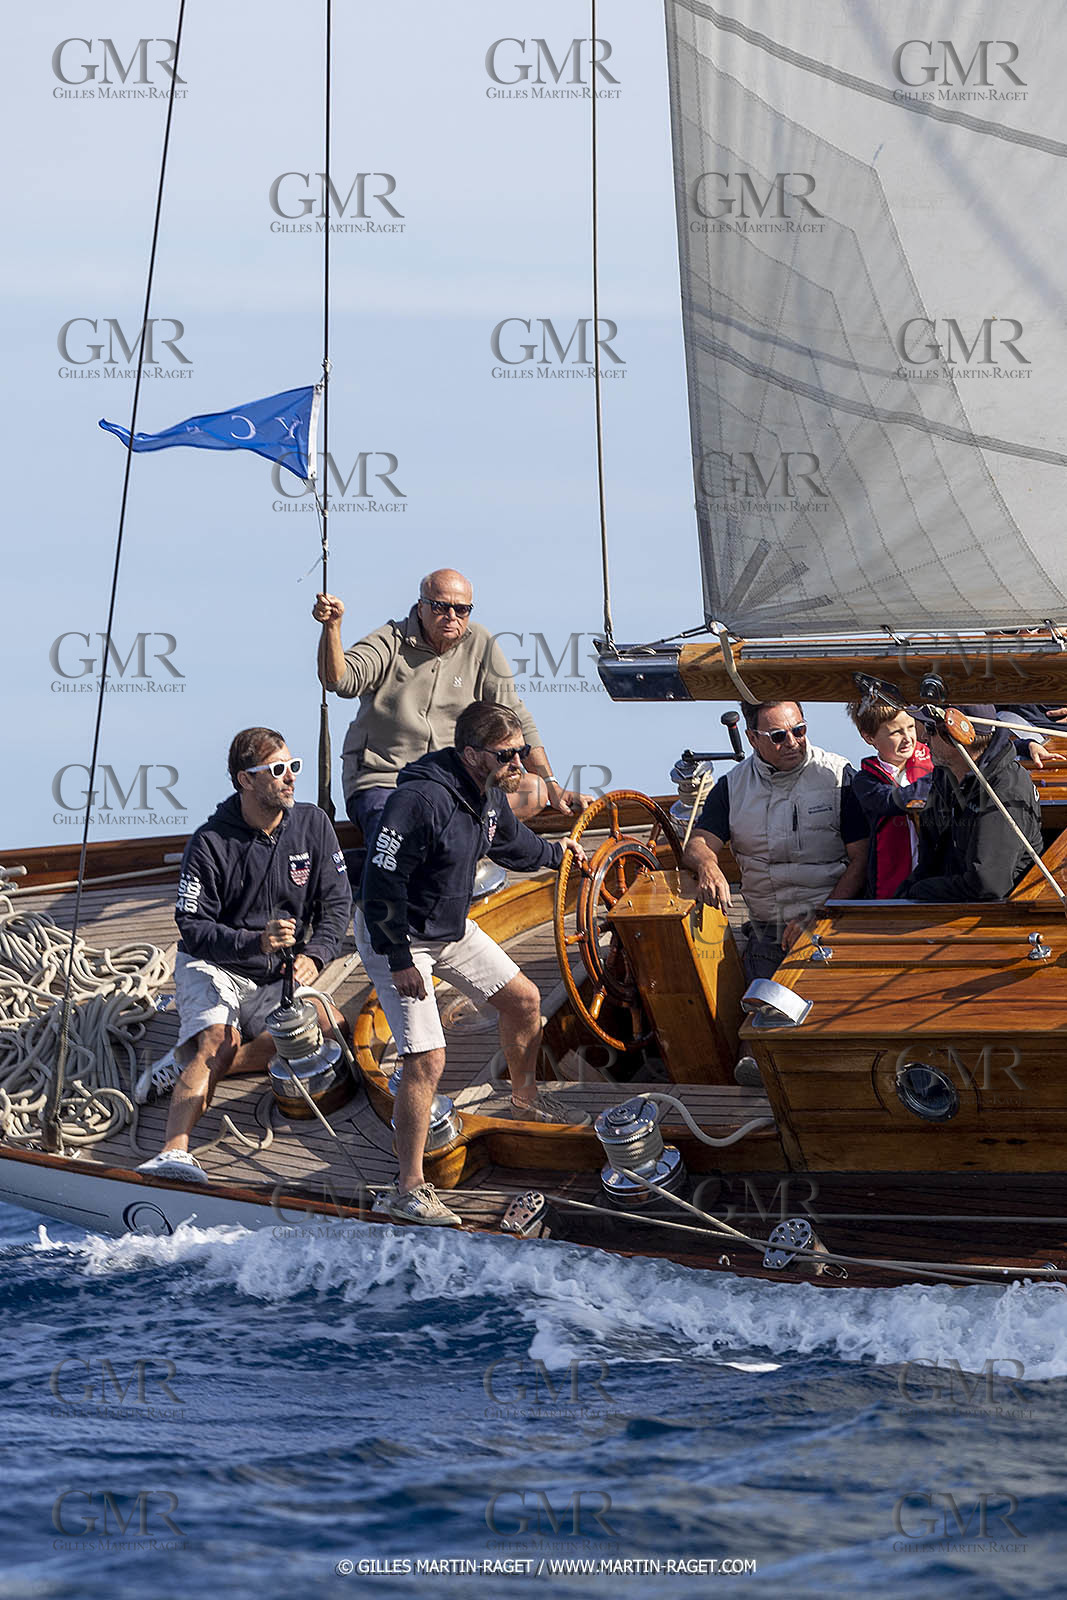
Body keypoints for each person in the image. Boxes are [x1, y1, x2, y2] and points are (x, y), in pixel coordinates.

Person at [355, 701, 590, 1226]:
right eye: (508, 756)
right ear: (470, 754)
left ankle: (525, 1101)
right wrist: (397, 959)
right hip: (396, 935)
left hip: (449, 926)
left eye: (522, 752)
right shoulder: (418, 800)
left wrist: (564, 857)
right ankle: (407, 1187)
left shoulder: (488, 792)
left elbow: (512, 843)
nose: (521, 766)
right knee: (426, 1060)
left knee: (524, 1000)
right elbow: (379, 882)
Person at [137, 728, 352, 1182]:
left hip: (278, 973)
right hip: (214, 965)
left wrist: (316, 954)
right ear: (245, 780)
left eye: (293, 767)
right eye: (277, 770)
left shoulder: (313, 825)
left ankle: (184, 1063)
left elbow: (337, 905)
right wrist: (252, 942)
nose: (291, 778)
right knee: (219, 1040)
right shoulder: (209, 843)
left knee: (331, 1027)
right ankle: (174, 1152)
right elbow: (191, 927)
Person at [313, 569, 588, 843]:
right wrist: (332, 628)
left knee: (533, 790)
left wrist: (552, 785)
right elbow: (340, 680)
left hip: (453, 785)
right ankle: (451, 847)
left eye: (462, 609)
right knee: (401, 838)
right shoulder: (390, 640)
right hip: (386, 782)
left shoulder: (481, 644)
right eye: (441, 607)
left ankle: (462, 846)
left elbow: (515, 717)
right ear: (420, 608)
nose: (452, 616)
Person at [683, 701, 869, 981]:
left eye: (799, 730)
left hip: (833, 925)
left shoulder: (838, 776)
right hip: (768, 934)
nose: (793, 742)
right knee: (761, 1019)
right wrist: (707, 865)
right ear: (752, 738)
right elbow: (698, 842)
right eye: (779, 736)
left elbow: (863, 858)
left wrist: (822, 916)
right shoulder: (732, 787)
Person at [899, 704, 1043, 901]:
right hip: (951, 904)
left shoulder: (1006, 791)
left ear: (960, 736)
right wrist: (903, 895)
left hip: (993, 918)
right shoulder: (944, 778)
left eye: (931, 730)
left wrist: (917, 891)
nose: (923, 738)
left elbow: (986, 885)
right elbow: (930, 860)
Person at [848, 698, 934, 898]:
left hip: (934, 878)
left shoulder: (936, 759)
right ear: (869, 737)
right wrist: (939, 780)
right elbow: (890, 801)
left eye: (911, 727)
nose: (908, 738)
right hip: (891, 883)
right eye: (896, 732)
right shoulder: (866, 780)